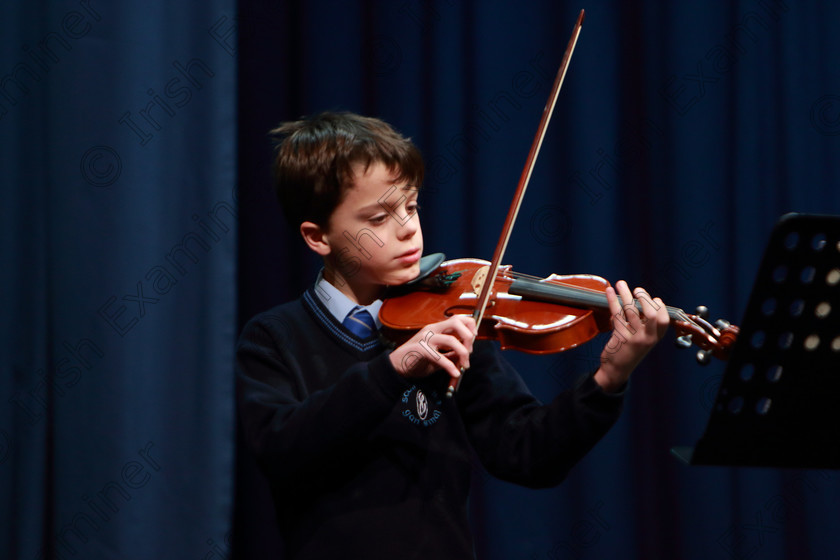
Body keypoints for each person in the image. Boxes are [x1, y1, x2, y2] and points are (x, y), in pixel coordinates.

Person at [236, 111, 670, 559]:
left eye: (411, 205)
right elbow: (282, 449)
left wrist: (609, 379)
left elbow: (528, 454)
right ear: (318, 237)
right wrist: (394, 368)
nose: (407, 228)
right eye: (379, 216)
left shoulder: (448, 321)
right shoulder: (274, 337)